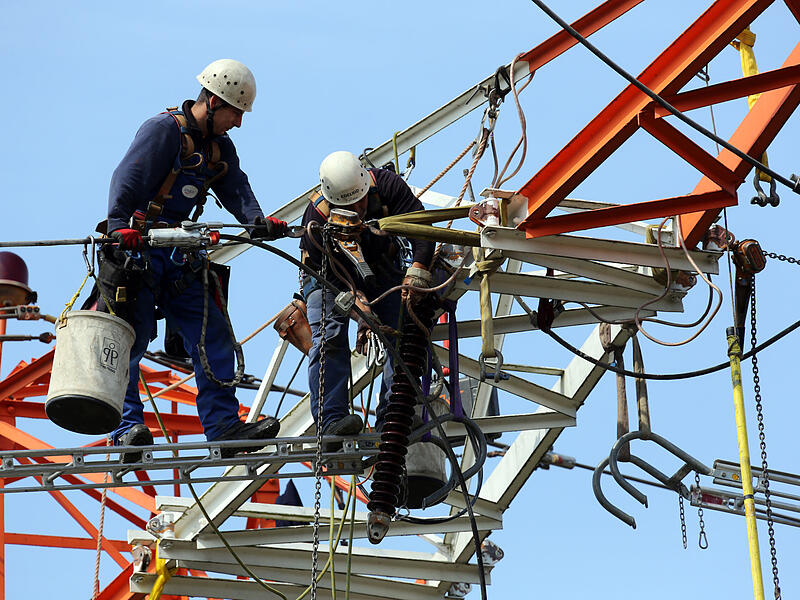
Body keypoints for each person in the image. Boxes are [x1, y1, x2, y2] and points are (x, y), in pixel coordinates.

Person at [96, 59, 288, 461]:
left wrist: (256, 220)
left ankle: (223, 428)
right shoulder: (163, 130)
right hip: (139, 248)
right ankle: (126, 427)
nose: (238, 123)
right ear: (215, 102)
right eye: (236, 113)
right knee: (131, 336)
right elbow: (126, 178)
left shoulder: (219, 147)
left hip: (179, 254)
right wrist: (117, 224)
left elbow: (236, 186)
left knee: (212, 334)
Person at [300, 151, 435, 444]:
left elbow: (422, 228)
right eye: (347, 206)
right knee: (330, 335)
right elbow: (326, 274)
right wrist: (354, 301)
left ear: (366, 186)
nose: (357, 210)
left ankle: (394, 413)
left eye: (359, 202)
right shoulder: (317, 217)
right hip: (327, 279)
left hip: (380, 272)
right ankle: (331, 421)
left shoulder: (388, 186)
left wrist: (418, 268)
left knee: (403, 330)